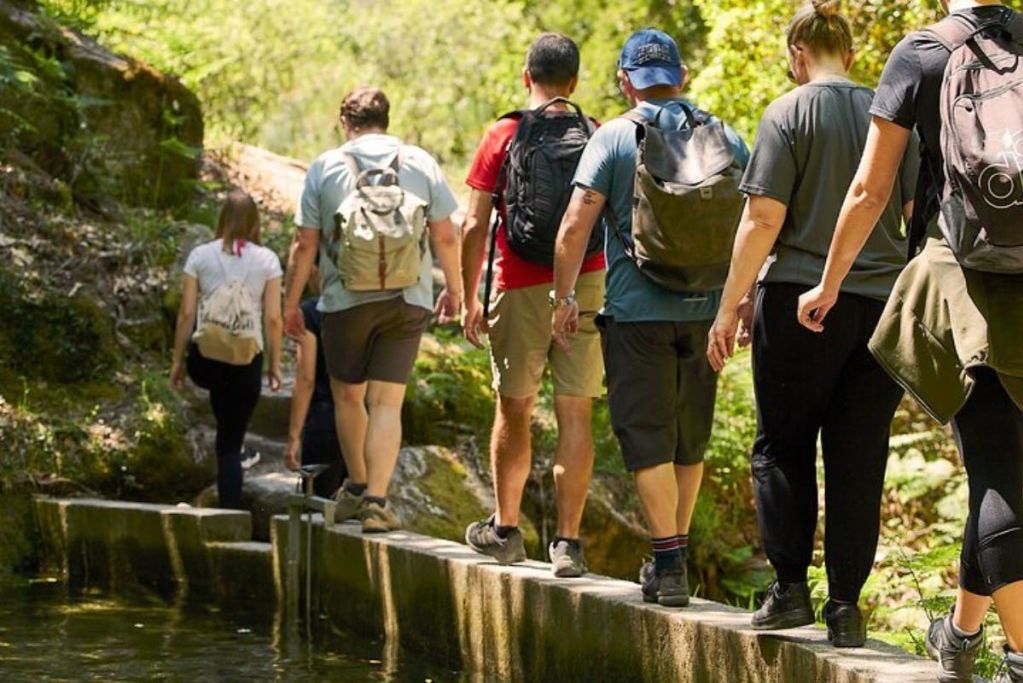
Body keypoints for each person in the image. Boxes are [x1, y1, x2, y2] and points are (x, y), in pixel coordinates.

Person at [797, 0, 1023, 678]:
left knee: (994, 466)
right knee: (1004, 467)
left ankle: (1020, 653)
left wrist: (828, 282)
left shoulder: (923, 52)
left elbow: (870, 188)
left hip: (965, 277)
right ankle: (960, 632)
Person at [706, 0, 917, 647]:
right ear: (850, 54)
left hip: (800, 299)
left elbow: (763, 218)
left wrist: (729, 302)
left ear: (798, 55)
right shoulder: (892, 114)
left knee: (782, 444)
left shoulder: (787, 112)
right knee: (859, 457)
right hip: (881, 305)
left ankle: (790, 589)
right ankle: (847, 607)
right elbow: (913, 210)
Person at [552, 28, 749, 607]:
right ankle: (673, 556)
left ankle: (669, 562)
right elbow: (756, 222)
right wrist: (739, 303)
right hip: (706, 311)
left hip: (637, 315)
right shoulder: (726, 136)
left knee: (648, 441)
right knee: (690, 442)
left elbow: (572, 228)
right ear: (682, 77)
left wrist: (563, 298)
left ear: (625, 83)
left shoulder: (614, 136)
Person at [284, 87, 461, 534]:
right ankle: (378, 504)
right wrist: (456, 291)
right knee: (387, 403)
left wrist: (289, 305)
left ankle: (358, 487)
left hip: (346, 302)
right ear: (386, 119)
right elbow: (445, 236)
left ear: (345, 122)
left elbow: (304, 242)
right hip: (407, 299)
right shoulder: (419, 161)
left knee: (349, 396)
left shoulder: (326, 166)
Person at [460, 33, 605, 577]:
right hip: (587, 282)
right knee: (576, 408)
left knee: (514, 406)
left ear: (528, 78)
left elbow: (475, 223)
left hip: (518, 281)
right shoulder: (595, 133)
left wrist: (471, 293)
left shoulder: (504, 133)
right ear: (573, 82)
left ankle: (506, 530)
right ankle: (567, 545)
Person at [171, 190, 283, 509]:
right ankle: (231, 510)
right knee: (230, 444)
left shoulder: (199, 255)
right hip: (245, 362)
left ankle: (231, 460)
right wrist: (274, 365)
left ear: (222, 218)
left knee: (225, 423)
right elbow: (273, 319)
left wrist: (177, 361)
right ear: (254, 222)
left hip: (205, 361)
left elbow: (186, 314)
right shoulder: (267, 260)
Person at [284, 258, 347, 499]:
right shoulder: (364, 315)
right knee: (352, 511)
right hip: (363, 421)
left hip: (324, 420)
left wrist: (293, 436)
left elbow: (306, 378)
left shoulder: (311, 313)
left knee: (317, 504)